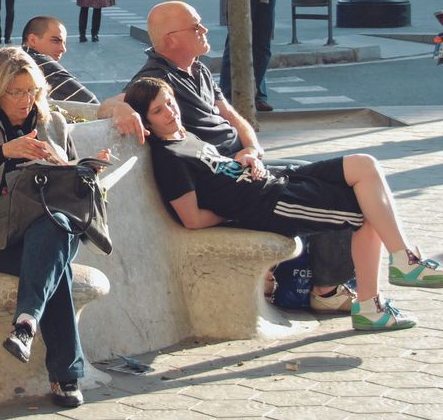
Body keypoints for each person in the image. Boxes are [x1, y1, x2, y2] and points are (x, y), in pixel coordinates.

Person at [124, 76, 443, 332]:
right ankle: (374, 303)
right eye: (158, 111)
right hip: (269, 203)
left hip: (274, 179)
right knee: (365, 211)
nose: (170, 112)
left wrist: (248, 157)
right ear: (147, 122)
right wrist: (236, 206)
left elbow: (221, 170)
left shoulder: (184, 136)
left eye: (169, 103)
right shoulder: (169, 159)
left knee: (365, 163)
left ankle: (402, 261)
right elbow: (192, 218)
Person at [100, 1, 358, 314]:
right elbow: (112, 103)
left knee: (324, 178)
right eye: (196, 27)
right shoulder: (157, 78)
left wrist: (252, 148)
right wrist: (123, 108)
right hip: (225, 180)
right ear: (171, 40)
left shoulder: (198, 68)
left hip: (242, 165)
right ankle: (326, 289)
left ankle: (309, 280)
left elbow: (234, 118)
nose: (205, 30)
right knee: (332, 196)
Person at [0, 47, 97, 408]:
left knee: (54, 228)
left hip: (51, 227)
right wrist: (4, 153)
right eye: (16, 92)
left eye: (32, 91)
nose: (26, 101)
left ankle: (26, 324)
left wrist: (85, 172)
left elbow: (73, 189)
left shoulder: (54, 125)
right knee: (54, 271)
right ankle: (65, 376)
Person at [21, 16, 98, 105]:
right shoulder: (40, 63)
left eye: (64, 43)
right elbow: (91, 104)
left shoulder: (12, 59)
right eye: (56, 41)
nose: (63, 49)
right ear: (33, 40)